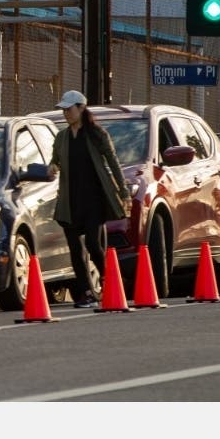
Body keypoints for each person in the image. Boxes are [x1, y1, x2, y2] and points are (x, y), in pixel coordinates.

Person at [49, 90, 131, 308]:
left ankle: (110, 281)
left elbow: (113, 162)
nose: (66, 113)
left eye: (69, 109)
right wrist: (52, 167)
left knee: (94, 244)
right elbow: (55, 159)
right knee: (75, 249)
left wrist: (123, 191)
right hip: (70, 200)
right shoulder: (62, 137)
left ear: (81, 108)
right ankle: (85, 292)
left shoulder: (97, 134)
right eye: (64, 110)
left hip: (93, 198)